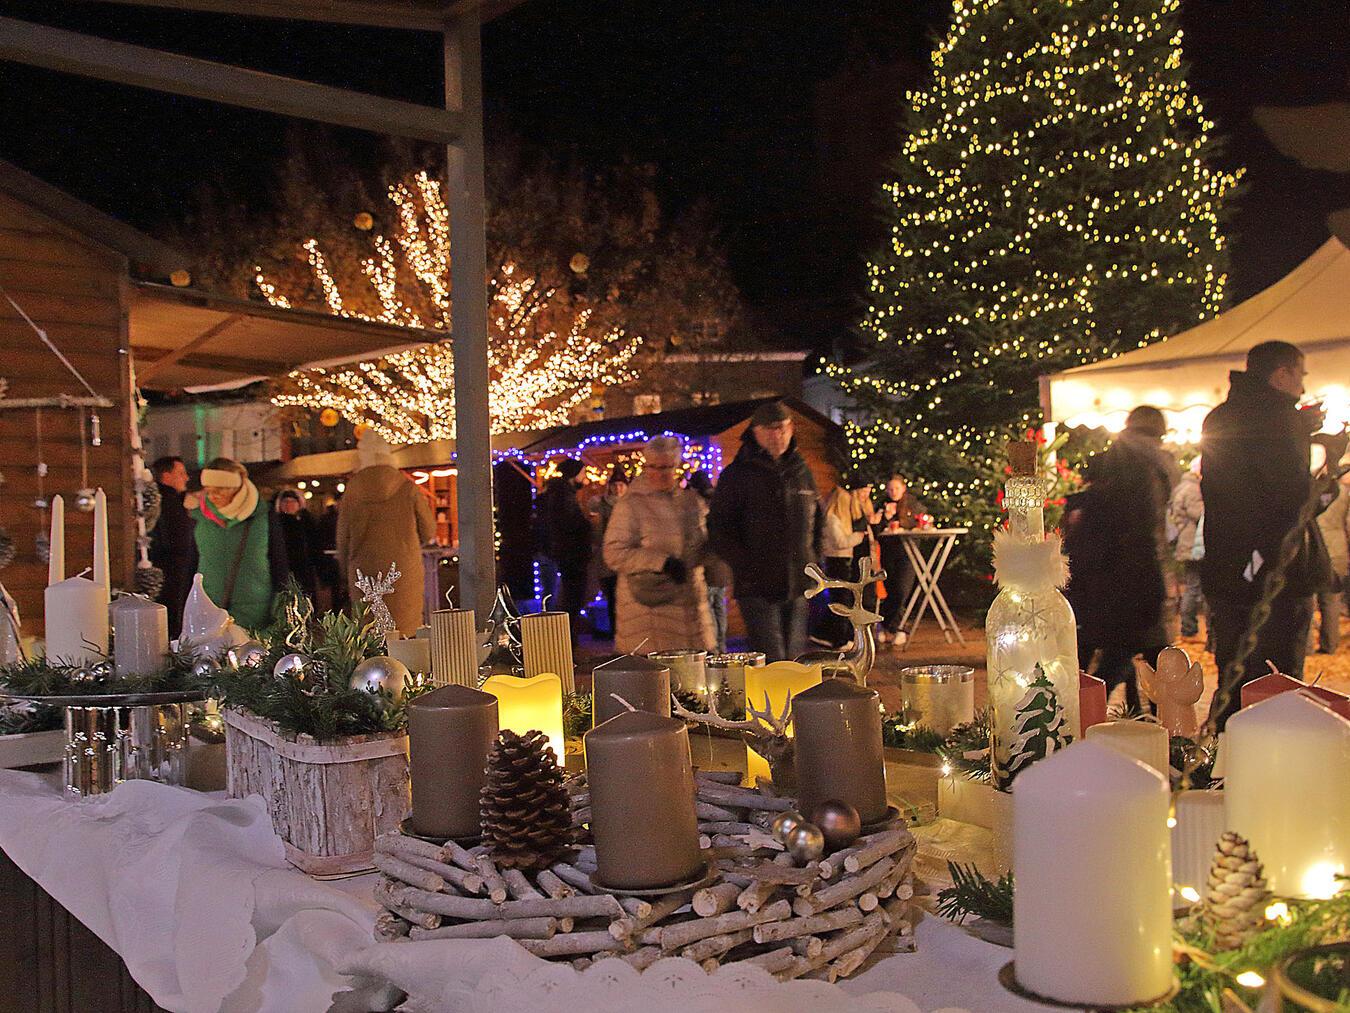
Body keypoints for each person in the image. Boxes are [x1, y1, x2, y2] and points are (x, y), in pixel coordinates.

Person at [1201, 341, 1334, 729]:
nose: (1303, 388)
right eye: (1300, 375)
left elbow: (1239, 484)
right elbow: (1292, 500)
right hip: (1278, 569)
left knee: (1234, 671)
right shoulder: (1279, 421)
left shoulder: (1221, 417)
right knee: (1277, 679)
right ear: (1282, 374)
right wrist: (1328, 485)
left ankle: (1222, 757)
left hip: (1227, 566)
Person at [1064, 409, 1174, 712]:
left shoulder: (1114, 467)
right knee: (1129, 657)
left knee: (1109, 657)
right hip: (1131, 582)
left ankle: (1079, 715)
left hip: (1098, 583)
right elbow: (1145, 532)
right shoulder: (1146, 469)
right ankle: (1155, 727)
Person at [707, 401, 822, 660]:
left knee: (794, 658)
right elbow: (719, 529)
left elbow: (818, 519)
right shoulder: (737, 475)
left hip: (798, 582)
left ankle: (792, 700)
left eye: (781, 428)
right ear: (755, 432)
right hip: (757, 586)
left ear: (791, 429)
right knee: (772, 659)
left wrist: (813, 559)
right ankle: (772, 702)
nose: (777, 435)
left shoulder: (801, 472)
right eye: (769, 429)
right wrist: (745, 566)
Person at [603, 436, 715, 653]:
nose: (662, 473)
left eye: (668, 467)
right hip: (649, 612)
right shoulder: (631, 505)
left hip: (691, 607)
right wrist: (661, 562)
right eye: (655, 467)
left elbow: (702, 545)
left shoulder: (690, 501)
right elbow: (614, 553)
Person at [337, 432, 436, 634]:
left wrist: (344, 568)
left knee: (369, 631)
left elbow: (342, 538)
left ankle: (372, 665)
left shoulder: (352, 491)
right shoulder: (407, 487)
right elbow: (428, 530)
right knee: (405, 631)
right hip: (403, 569)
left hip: (363, 572)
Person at [185, 457, 287, 630]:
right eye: (208, 490)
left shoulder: (264, 515)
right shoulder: (198, 517)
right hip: (209, 609)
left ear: (237, 487)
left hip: (256, 612)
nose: (213, 496)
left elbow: (279, 562)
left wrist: (282, 608)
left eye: (220, 490)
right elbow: (190, 565)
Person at [536, 457, 593, 638]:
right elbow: (567, 524)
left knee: (567, 596)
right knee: (571, 597)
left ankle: (565, 637)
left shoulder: (558, 493)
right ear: (573, 474)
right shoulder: (562, 495)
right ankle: (564, 638)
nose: (585, 477)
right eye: (582, 473)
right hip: (570, 555)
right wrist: (586, 524)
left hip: (565, 554)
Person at [873, 474, 927, 646]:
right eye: (890, 489)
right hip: (888, 553)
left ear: (903, 488)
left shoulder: (913, 504)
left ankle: (898, 627)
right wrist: (886, 518)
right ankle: (886, 626)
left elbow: (920, 521)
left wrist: (904, 521)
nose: (893, 492)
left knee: (902, 590)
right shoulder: (882, 505)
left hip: (908, 553)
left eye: (896, 488)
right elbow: (874, 528)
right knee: (889, 589)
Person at [148, 455, 197, 639]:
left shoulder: (173, 501)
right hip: (172, 573)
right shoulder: (167, 503)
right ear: (166, 476)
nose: (186, 478)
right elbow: (177, 541)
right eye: (181, 473)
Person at [815, 484, 868, 648]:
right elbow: (841, 542)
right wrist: (858, 536)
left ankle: (837, 636)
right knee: (841, 601)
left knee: (843, 599)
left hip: (842, 561)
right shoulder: (832, 519)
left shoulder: (836, 519)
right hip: (837, 561)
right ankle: (838, 639)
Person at [687, 470, 731, 653]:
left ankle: (714, 647)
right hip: (721, 566)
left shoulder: (698, 508)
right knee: (719, 606)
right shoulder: (720, 503)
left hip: (706, 566)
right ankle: (722, 645)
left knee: (709, 608)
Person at [1313, 462, 1350, 654]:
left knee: (1308, 598)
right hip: (1337, 549)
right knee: (1331, 599)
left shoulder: (1311, 490)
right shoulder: (1344, 494)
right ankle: (1330, 642)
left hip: (1313, 549)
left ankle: (1306, 645)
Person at [1169, 457, 1206, 639]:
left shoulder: (1182, 487)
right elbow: (1198, 513)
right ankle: (1189, 627)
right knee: (1194, 587)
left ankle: (1188, 626)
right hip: (1194, 546)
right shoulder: (1193, 489)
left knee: (1192, 585)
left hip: (1186, 544)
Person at [594, 468, 630, 640]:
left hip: (628, 559)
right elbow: (599, 534)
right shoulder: (603, 505)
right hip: (608, 559)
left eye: (621, 485)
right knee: (612, 599)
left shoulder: (631, 504)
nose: (618, 489)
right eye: (615, 485)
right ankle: (616, 632)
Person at [274, 489, 320, 599]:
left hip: (305, 569)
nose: (289, 505)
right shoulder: (275, 524)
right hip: (283, 569)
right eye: (285, 502)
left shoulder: (307, 522)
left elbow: (315, 545)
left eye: (292, 502)